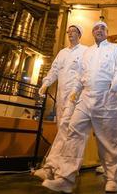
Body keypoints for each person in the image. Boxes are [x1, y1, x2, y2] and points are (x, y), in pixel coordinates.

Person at [42, 21, 117, 193]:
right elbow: (81, 75)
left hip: (107, 96)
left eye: (102, 28)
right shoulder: (88, 52)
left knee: (108, 139)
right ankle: (65, 178)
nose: (99, 30)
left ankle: (112, 177)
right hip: (86, 96)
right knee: (73, 132)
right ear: (92, 33)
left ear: (107, 32)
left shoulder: (114, 49)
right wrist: (75, 91)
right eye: (96, 28)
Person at [33, 24, 87, 181]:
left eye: (74, 32)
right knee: (64, 130)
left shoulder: (85, 51)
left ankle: (51, 167)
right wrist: (45, 83)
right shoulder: (62, 53)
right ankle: (66, 168)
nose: (70, 34)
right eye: (69, 32)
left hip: (75, 97)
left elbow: (86, 72)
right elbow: (54, 70)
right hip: (61, 96)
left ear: (79, 34)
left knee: (66, 129)